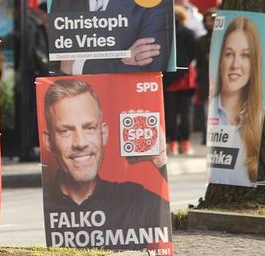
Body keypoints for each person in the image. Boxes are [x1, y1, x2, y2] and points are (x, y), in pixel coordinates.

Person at [42, 79, 171, 250]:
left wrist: (159, 158)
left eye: (89, 128)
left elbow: (175, 221)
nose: (80, 143)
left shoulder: (134, 199)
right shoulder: (42, 208)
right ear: (49, 141)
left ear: (103, 134)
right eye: (65, 131)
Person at [207, 16, 264, 186]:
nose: (235, 64)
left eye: (245, 55)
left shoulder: (262, 118)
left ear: (254, 63)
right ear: (220, 61)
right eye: (229, 54)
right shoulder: (210, 110)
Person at [163, 6, 197, 155]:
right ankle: (185, 143)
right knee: (186, 112)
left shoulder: (162, 33)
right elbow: (193, 53)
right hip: (185, 77)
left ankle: (173, 144)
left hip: (168, 77)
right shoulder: (189, 33)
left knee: (170, 112)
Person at [194, 8, 216, 145]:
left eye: (211, 20)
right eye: (207, 21)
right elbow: (199, 61)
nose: (209, 23)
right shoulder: (201, 41)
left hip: (220, 80)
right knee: (206, 110)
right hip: (206, 79)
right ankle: (206, 136)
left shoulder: (225, 39)